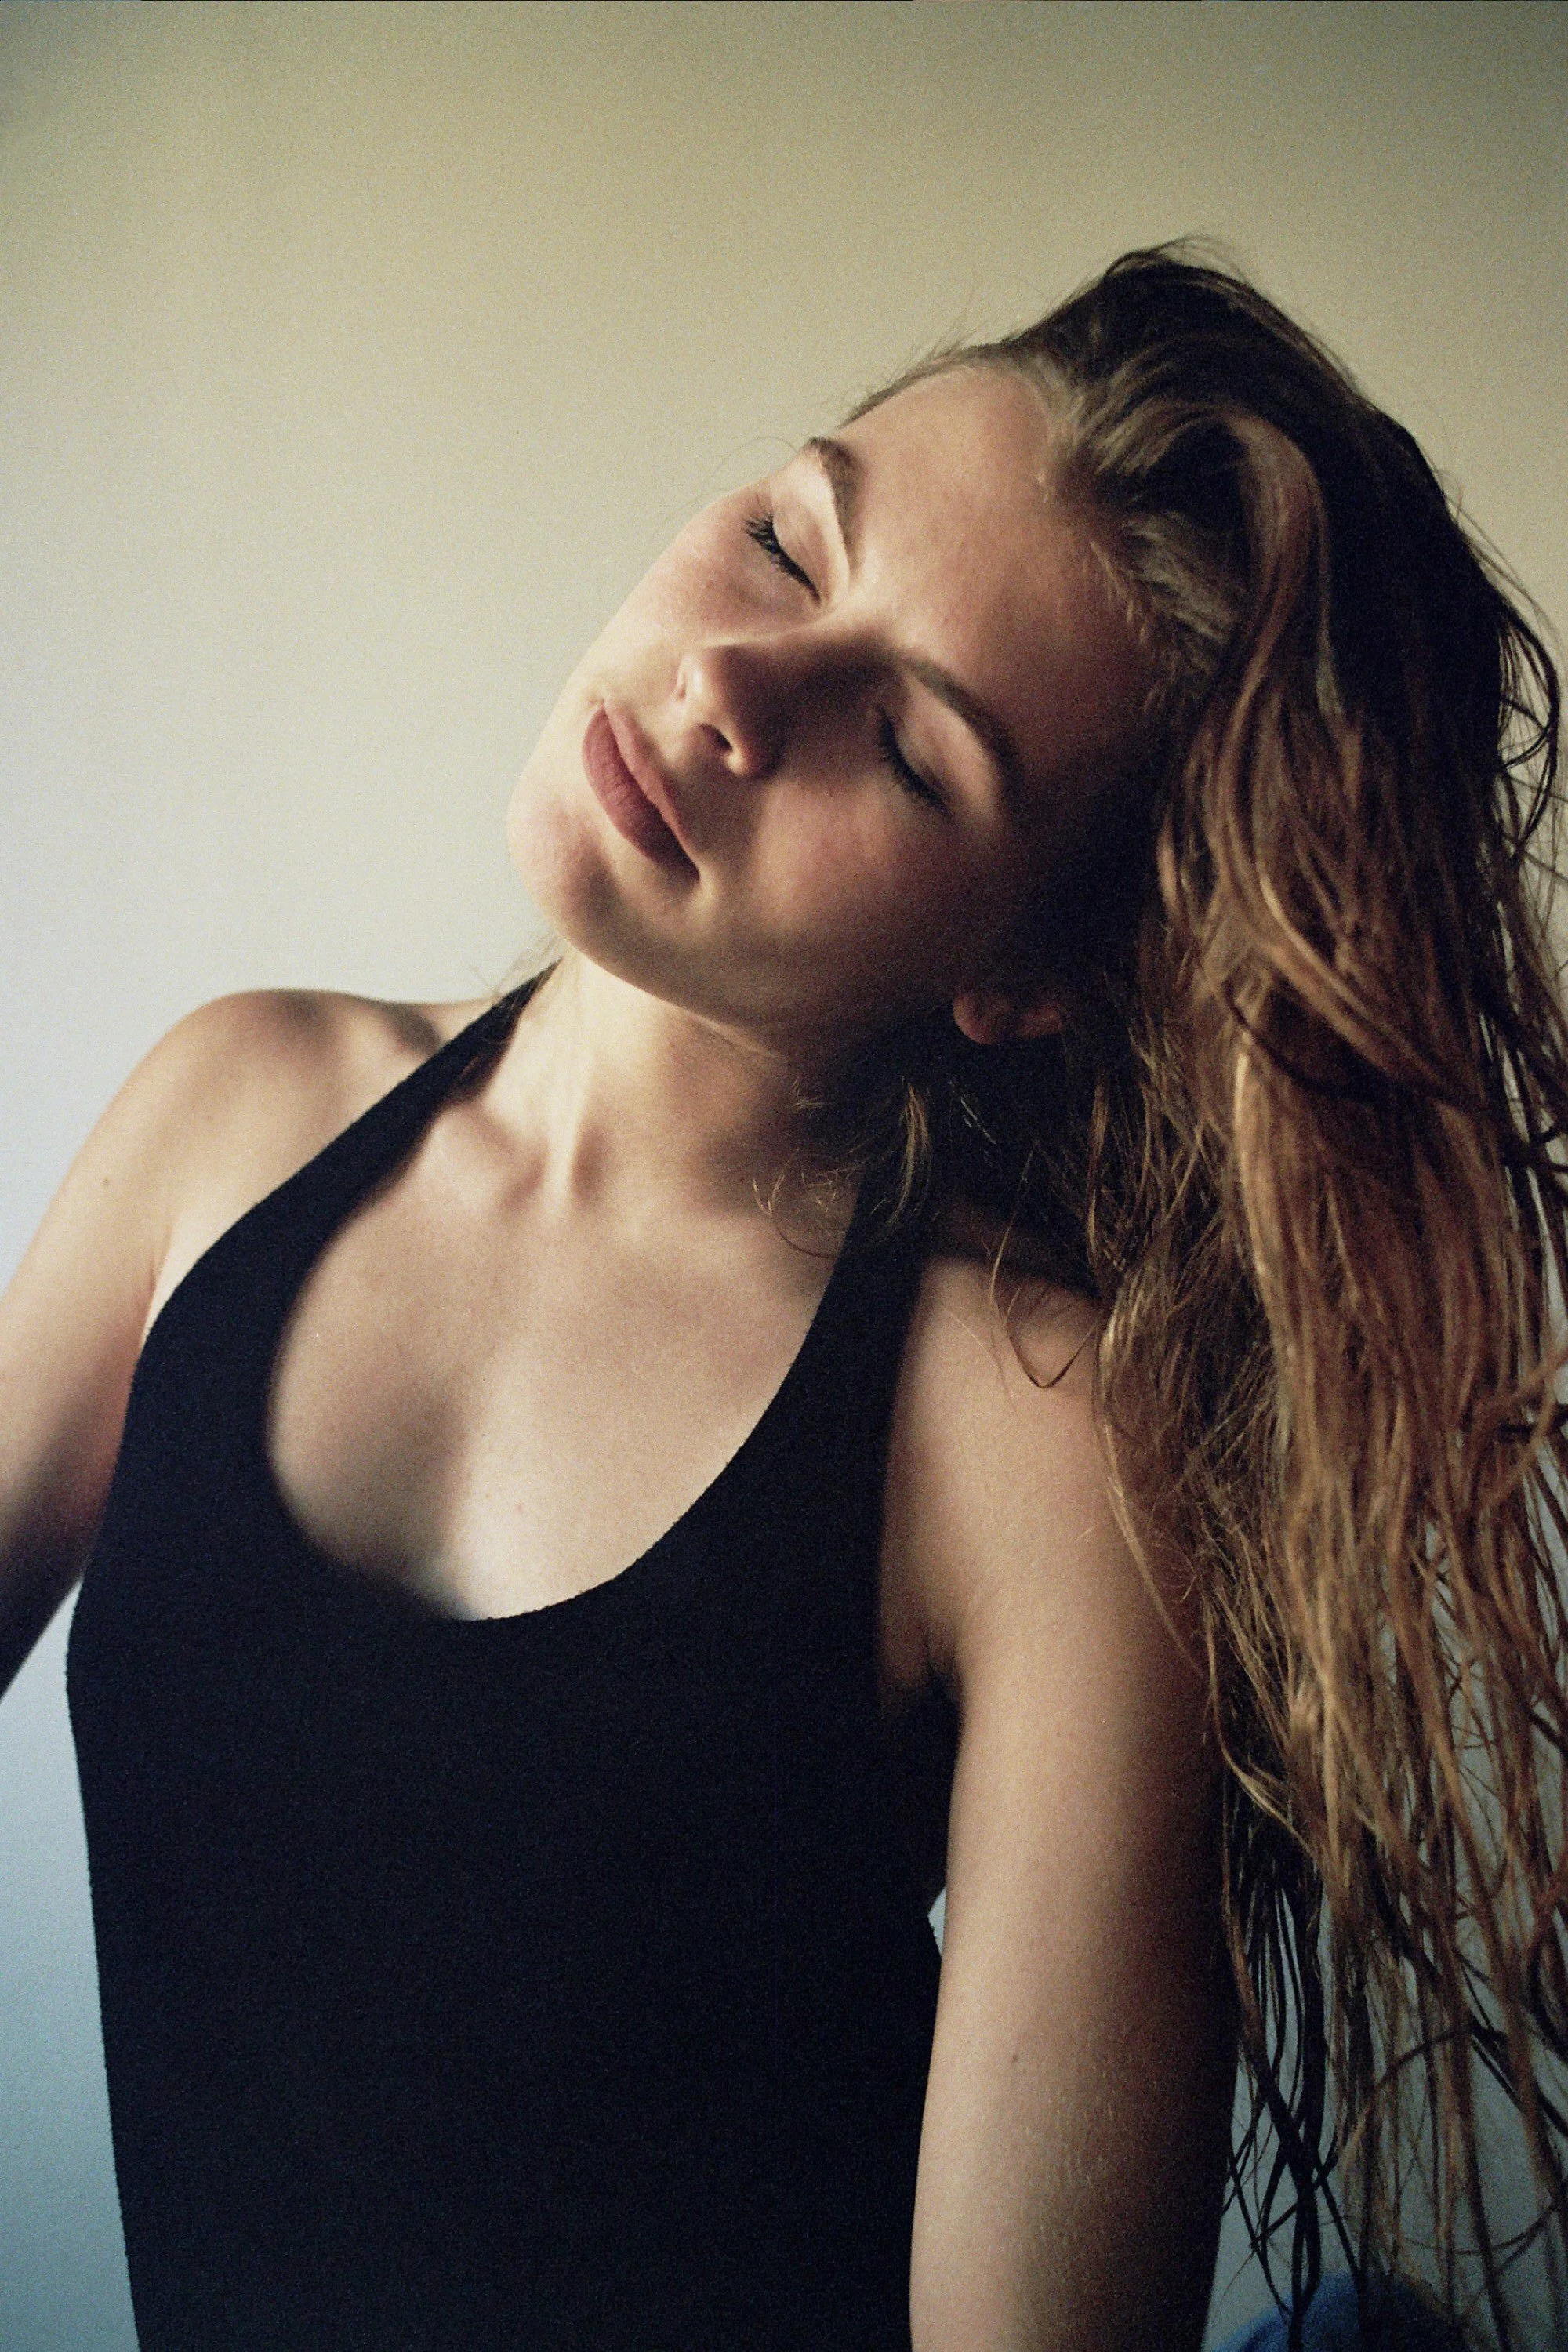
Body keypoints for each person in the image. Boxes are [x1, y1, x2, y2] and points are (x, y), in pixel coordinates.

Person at [1, 242, 1562, 2352]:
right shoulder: (231, 1114)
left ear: (1022, 979)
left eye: (908, 750)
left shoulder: (1036, 1447)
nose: (731, 684)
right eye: (784, 539)